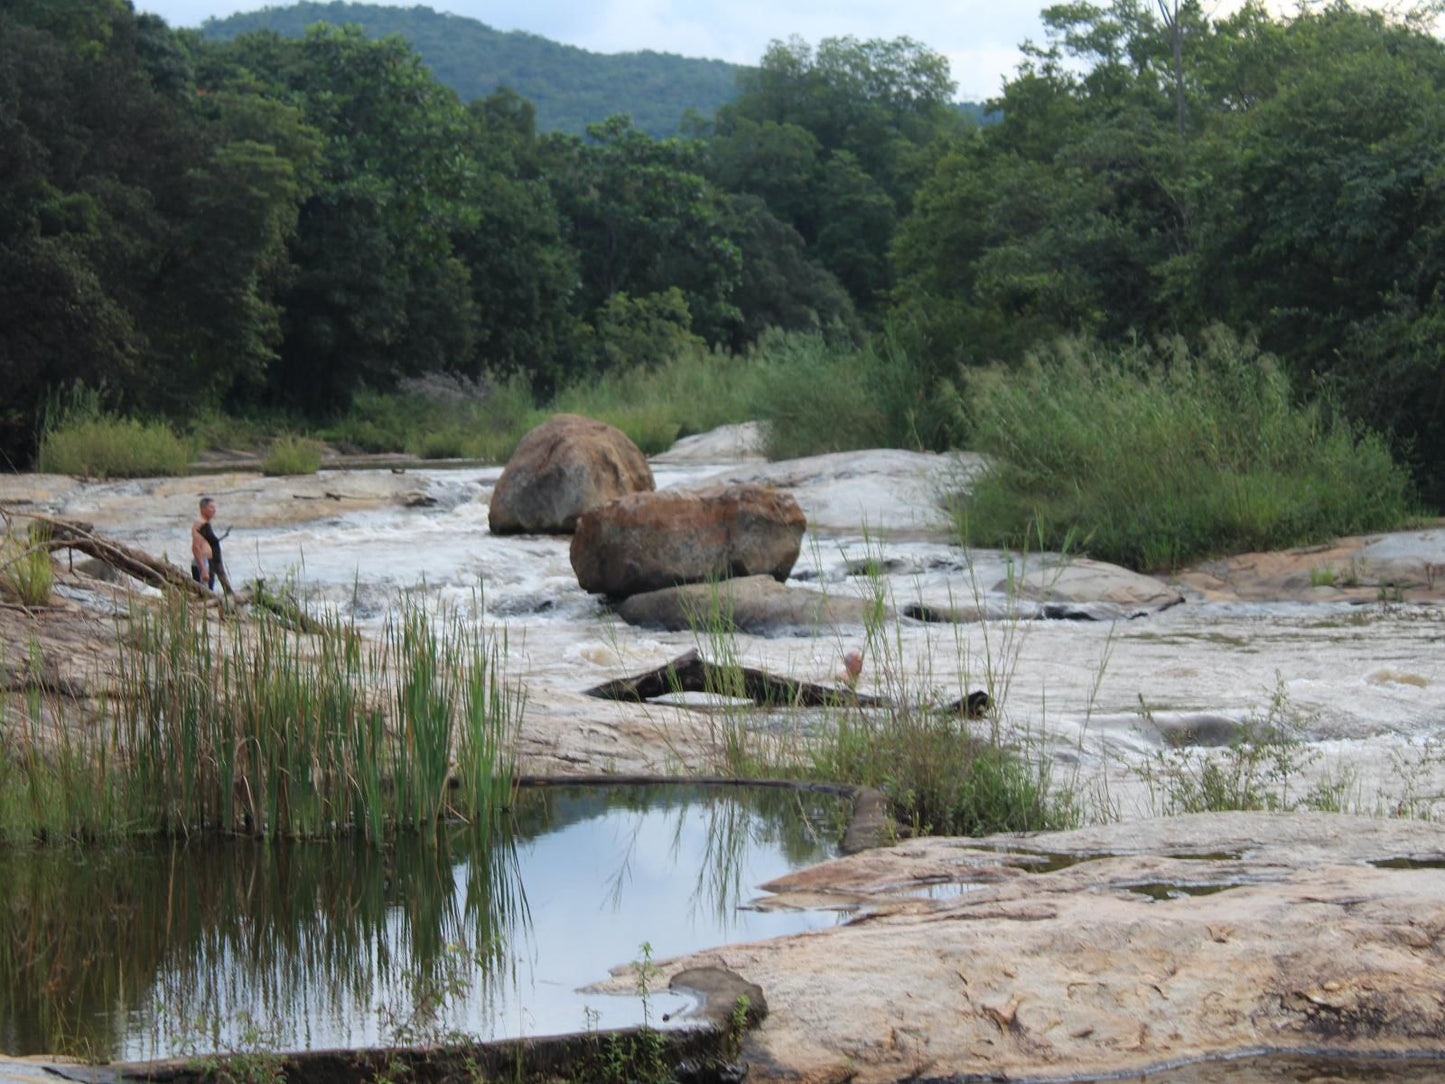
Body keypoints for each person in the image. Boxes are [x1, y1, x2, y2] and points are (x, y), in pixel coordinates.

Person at [190, 496, 229, 594]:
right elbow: (196, 547)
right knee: (204, 594)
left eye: (215, 508)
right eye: (211, 507)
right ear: (203, 509)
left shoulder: (206, 524)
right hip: (203, 563)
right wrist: (203, 569)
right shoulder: (200, 524)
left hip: (209, 563)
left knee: (210, 591)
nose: (214, 510)